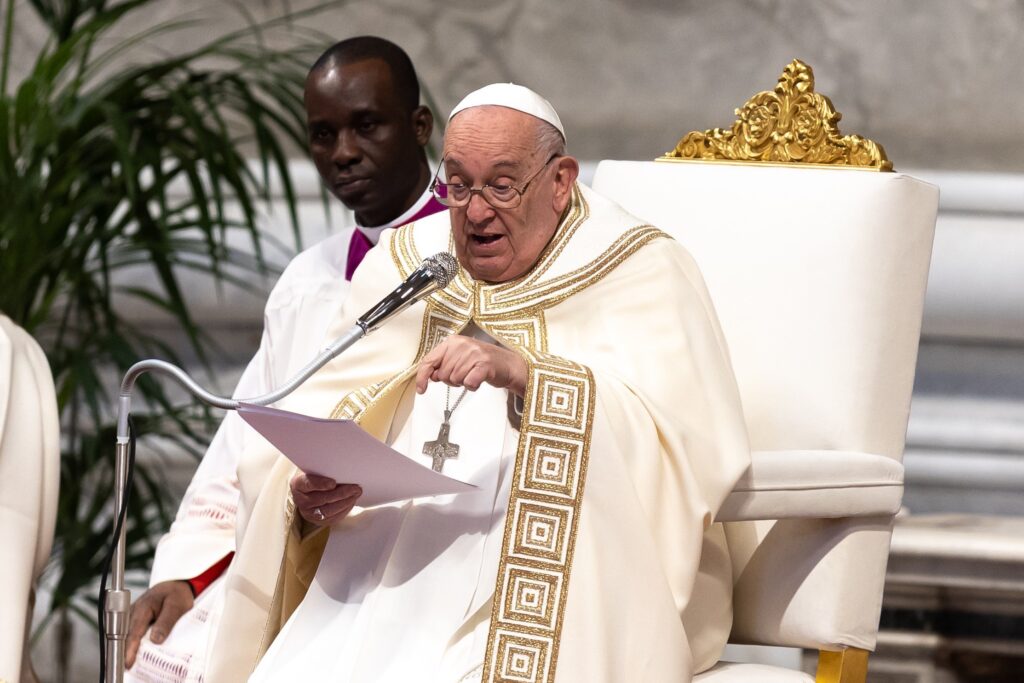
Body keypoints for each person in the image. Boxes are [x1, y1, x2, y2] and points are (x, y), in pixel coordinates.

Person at [203, 83, 751, 683]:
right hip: (382, 573)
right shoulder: (411, 262)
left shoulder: (638, 268)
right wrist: (310, 500)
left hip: (540, 578)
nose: (475, 212)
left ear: (561, 181)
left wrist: (529, 376)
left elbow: (684, 447)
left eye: (502, 185)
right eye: (457, 185)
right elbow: (324, 417)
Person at [124, 36, 446, 681]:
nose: (343, 153)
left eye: (366, 125)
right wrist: (190, 573)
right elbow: (244, 436)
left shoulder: (473, 258)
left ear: (418, 127)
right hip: (298, 539)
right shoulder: (310, 278)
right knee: (163, 657)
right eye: (323, 135)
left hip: (419, 554)